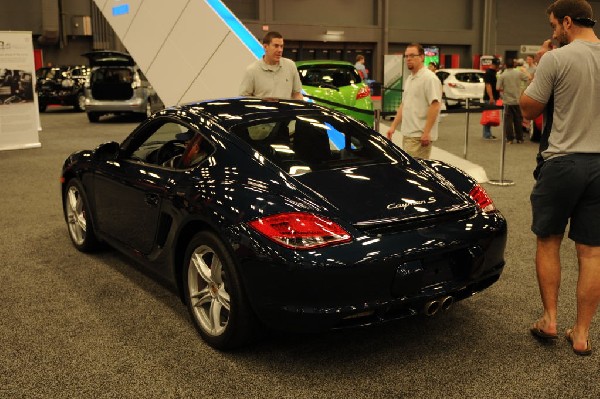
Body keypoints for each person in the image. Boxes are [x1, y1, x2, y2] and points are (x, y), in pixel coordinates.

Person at [520, 0, 600, 356]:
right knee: (592, 253)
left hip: (563, 162)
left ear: (567, 22)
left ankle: (550, 319)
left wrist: (541, 65)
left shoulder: (555, 57)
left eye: (554, 25)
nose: (553, 32)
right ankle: (581, 334)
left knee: (548, 241)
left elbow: (528, 107)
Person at [386, 43, 442, 159]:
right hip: (408, 133)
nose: (408, 59)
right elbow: (404, 104)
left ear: (422, 57)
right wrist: (393, 126)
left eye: (412, 55)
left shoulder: (429, 79)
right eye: (406, 56)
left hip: (419, 136)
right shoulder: (410, 78)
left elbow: (435, 105)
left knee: (416, 171)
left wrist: (426, 132)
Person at [239, 31, 303, 100]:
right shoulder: (252, 70)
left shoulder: (290, 66)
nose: (280, 50)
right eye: (276, 46)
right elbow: (244, 98)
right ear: (265, 47)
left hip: (285, 110)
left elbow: (297, 94)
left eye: (281, 46)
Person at [496, 59, 529, 144]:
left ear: (505, 65)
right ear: (514, 65)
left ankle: (510, 139)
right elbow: (528, 78)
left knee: (508, 121)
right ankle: (520, 138)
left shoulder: (503, 75)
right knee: (518, 120)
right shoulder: (518, 73)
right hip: (517, 100)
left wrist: (505, 89)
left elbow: (497, 88)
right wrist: (523, 88)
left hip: (507, 101)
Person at [482, 58, 501, 140]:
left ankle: (488, 133)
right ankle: (486, 134)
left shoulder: (495, 72)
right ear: (493, 64)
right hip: (489, 98)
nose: (498, 66)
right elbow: (488, 85)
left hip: (494, 97)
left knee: (490, 116)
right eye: (497, 65)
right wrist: (491, 97)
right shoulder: (488, 73)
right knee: (488, 116)